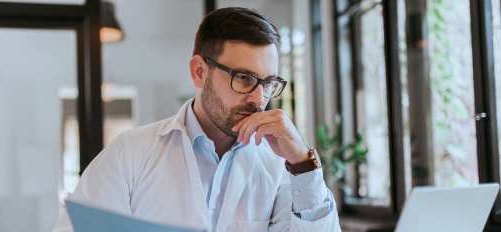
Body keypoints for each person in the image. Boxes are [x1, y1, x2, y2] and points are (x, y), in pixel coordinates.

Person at [53, 7, 341, 232]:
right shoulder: (130, 152)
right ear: (199, 72)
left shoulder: (278, 165)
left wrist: (303, 164)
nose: (258, 99)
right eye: (243, 78)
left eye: (267, 83)